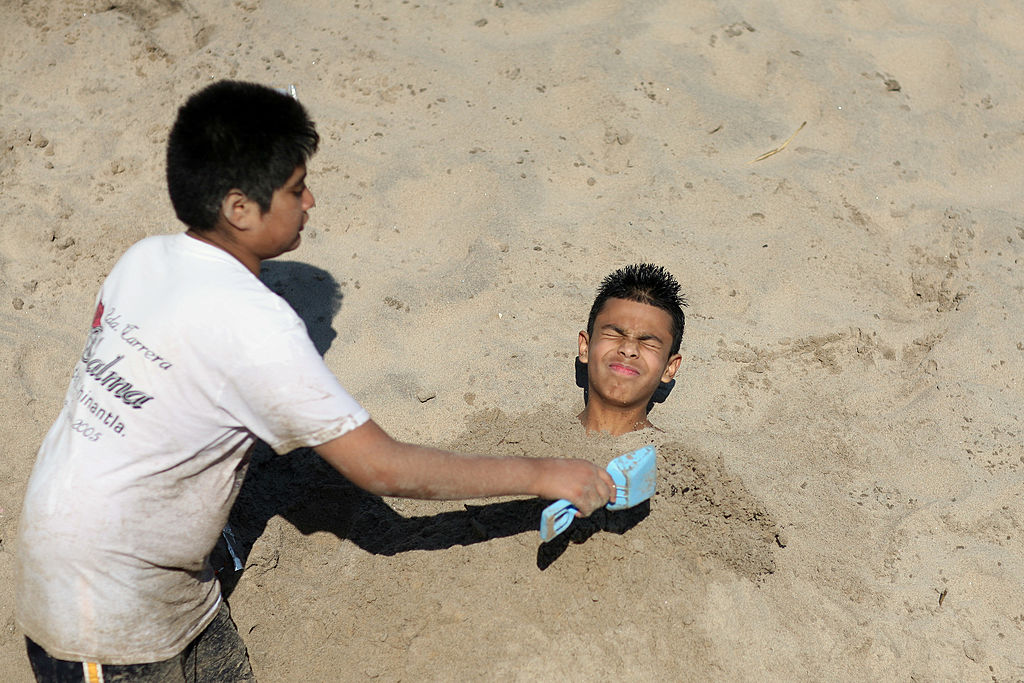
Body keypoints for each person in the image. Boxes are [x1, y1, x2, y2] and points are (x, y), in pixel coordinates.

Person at [15, 80, 613, 682]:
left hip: (122, 559)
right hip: (100, 612)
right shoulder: (256, 327)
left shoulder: (142, 259)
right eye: (297, 189)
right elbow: (386, 469)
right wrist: (543, 472)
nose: (311, 202)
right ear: (239, 208)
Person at [575, 264, 686, 436]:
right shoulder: (528, 446)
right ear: (585, 348)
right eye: (614, 334)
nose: (628, 349)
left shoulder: (675, 460)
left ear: (669, 368)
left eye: (648, 342)